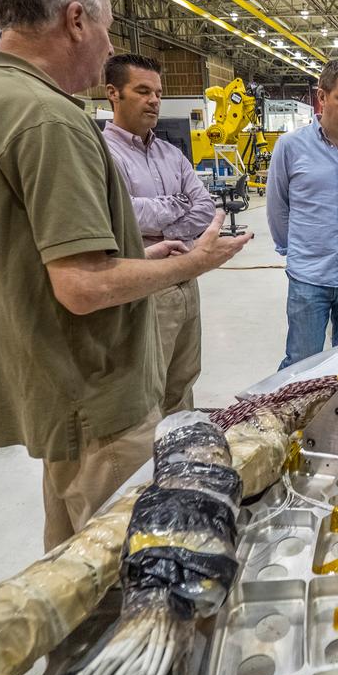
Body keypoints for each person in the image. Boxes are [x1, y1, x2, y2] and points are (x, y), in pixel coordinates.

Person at [0, 0, 252, 551]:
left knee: (71, 566)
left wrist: (143, 254)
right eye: (109, 30)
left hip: (59, 393)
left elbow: (45, 260)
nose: (111, 48)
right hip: (98, 401)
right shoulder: (48, 117)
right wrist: (193, 261)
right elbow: (82, 287)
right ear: (75, 18)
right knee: (128, 573)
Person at [102, 53, 214, 415]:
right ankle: (147, 466)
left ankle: (180, 456)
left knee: (183, 381)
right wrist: (175, 205)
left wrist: (163, 226)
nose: (154, 100)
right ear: (113, 93)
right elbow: (122, 216)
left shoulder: (172, 154)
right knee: (147, 388)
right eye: (143, 90)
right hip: (144, 284)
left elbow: (204, 208)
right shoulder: (103, 155)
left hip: (186, 276)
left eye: (159, 93)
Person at [266, 58, 338, 369]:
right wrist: (295, 252)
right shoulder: (290, 147)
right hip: (310, 278)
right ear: (322, 97)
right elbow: (278, 207)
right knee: (301, 363)